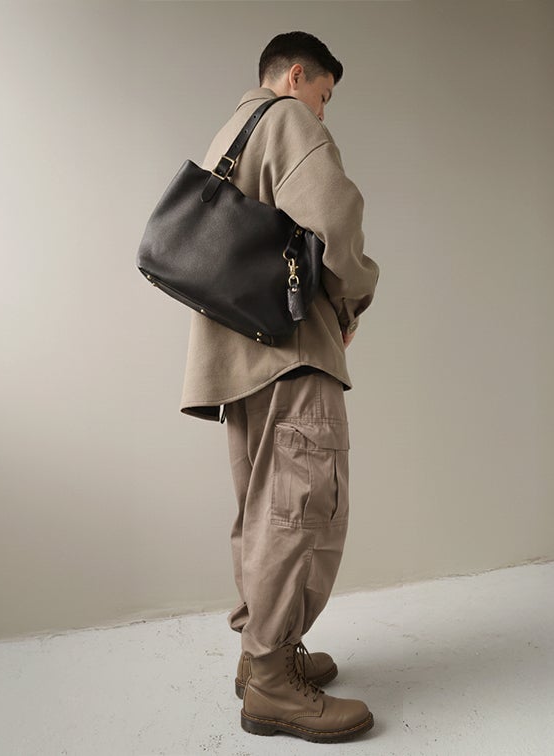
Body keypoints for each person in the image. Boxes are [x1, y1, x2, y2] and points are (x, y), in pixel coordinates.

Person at [179, 31, 379, 744]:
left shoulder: (229, 134)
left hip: (237, 363)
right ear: (297, 76)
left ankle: (260, 653)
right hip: (289, 353)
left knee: (262, 512)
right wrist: (355, 298)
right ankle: (271, 682)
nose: (322, 113)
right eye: (323, 96)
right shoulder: (288, 119)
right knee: (300, 509)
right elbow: (336, 221)